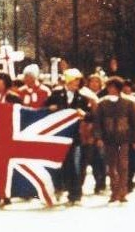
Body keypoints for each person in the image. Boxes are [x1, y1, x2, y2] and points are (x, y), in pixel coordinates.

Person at [46, 68, 91, 205]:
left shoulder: (82, 98)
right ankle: (58, 189)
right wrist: (50, 108)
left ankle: (75, 195)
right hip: (58, 136)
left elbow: (90, 116)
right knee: (57, 164)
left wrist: (85, 114)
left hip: (74, 137)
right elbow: (44, 109)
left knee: (75, 165)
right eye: (74, 80)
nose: (76, 84)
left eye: (79, 81)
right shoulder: (55, 94)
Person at [94, 76, 135, 203]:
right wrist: (98, 138)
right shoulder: (102, 103)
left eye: (113, 88)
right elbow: (97, 122)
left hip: (123, 139)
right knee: (111, 166)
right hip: (109, 139)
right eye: (109, 87)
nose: (111, 90)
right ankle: (114, 192)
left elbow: (134, 122)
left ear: (119, 89)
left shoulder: (129, 103)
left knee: (123, 166)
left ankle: (122, 192)